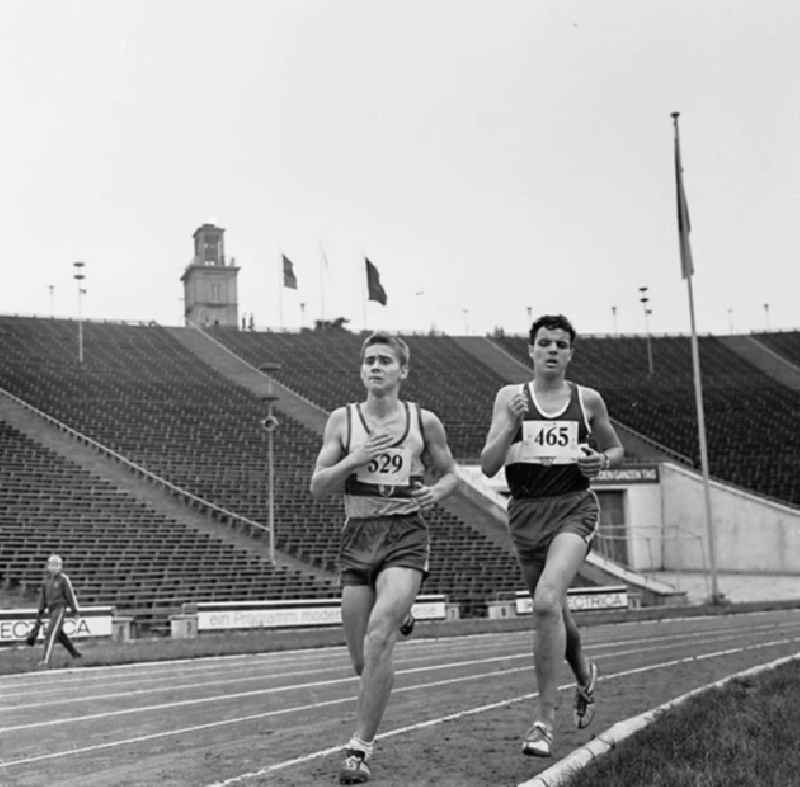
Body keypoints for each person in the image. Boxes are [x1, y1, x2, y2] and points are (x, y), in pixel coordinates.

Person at [311, 332, 458, 784]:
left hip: (405, 534)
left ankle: (359, 749)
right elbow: (319, 484)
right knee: (362, 661)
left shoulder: (423, 421)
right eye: (369, 361)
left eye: (385, 361)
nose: (376, 367)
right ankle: (400, 616)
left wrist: (437, 490)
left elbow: (451, 472)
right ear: (361, 371)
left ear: (402, 371)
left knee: (379, 638)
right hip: (357, 536)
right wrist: (354, 459)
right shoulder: (343, 420)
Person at [480, 314, 623, 757]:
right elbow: (488, 465)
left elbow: (615, 448)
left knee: (544, 603)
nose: (553, 350)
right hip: (525, 514)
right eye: (545, 343)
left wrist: (602, 462)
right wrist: (510, 425)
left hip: (573, 509)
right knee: (556, 613)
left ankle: (543, 721)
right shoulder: (510, 397)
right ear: (531, 349)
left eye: (561, 344)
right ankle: (584, 674)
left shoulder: (588, 400)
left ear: (570, 353)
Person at [35, 554, 82, 666]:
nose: (54, 567)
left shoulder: (64, 579)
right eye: (52, 565)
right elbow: (43, 596)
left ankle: (46, 660)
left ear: (60, 567)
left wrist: (75, 611)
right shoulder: (46, 580)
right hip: (51, 610)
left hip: (60, 609)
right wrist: (40, 610)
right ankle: (75, 654)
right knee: (60, 634)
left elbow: (70, 595)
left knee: (50, 633)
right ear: (48, 566)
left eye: (57, 565)